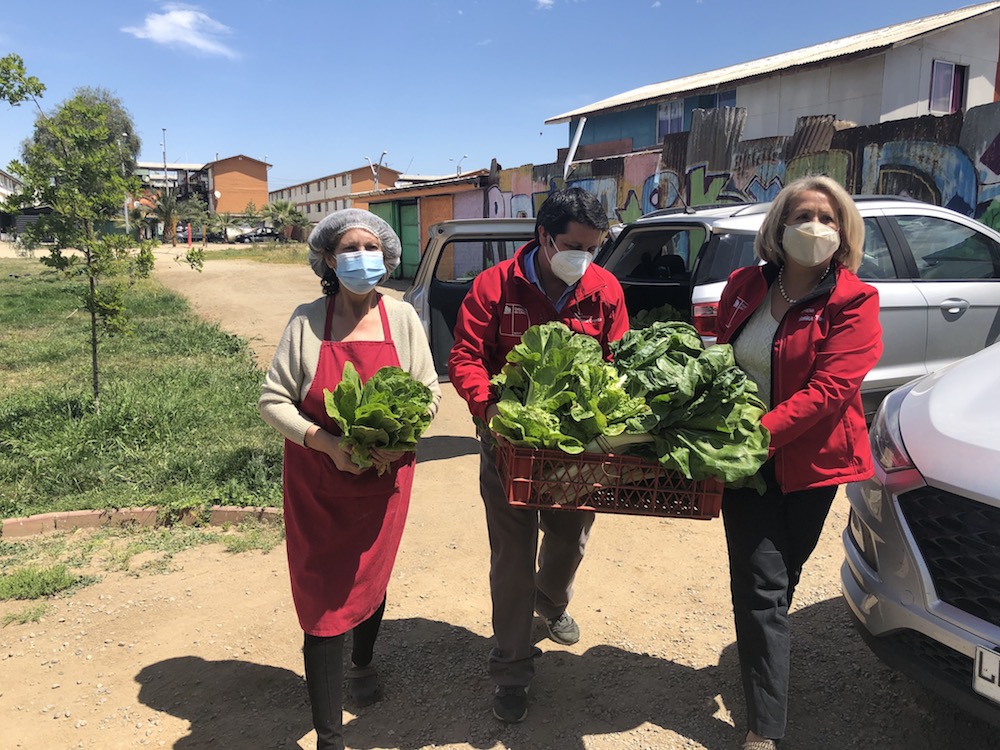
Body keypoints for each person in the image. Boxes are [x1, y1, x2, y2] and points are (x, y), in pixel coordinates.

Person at [259, 209, 441, 750]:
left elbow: (428, 391)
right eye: (350, 248)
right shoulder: (307, 320)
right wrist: (327, 443)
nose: (363, 256)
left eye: (371, 246)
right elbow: (273, 401)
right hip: (317, 481)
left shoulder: (403, 317)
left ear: (385, 257)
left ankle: (362, 664)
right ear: (329, 260)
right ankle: (329, 736)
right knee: (321, 596)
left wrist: (397, 437)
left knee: (369, 573)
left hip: (383, 479)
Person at [448, 187, 629, 723]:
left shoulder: (605, 289)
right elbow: (465, 356)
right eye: (574, 245)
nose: (584, 257)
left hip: (578, 451)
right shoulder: (494, 286)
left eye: (594, 247)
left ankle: (550, 605)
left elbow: (617, 362)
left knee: (571, 537)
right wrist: (491, 412)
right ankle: (511, 669)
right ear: (543, 237)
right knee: (511, 557)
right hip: (508, 446)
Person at [715, 176, 882, 750]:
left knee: (781, 581)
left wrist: (759, 436)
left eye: (828, 218)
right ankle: (765, 729)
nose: (815, 227)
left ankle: (767, 667)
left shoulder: (854, 301)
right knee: (760, 584)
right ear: (778, 225)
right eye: (803, 214)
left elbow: (831, 388)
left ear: (844, 232)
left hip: (811, 465)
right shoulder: (744, 285)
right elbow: (719, 355)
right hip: (745, 463)